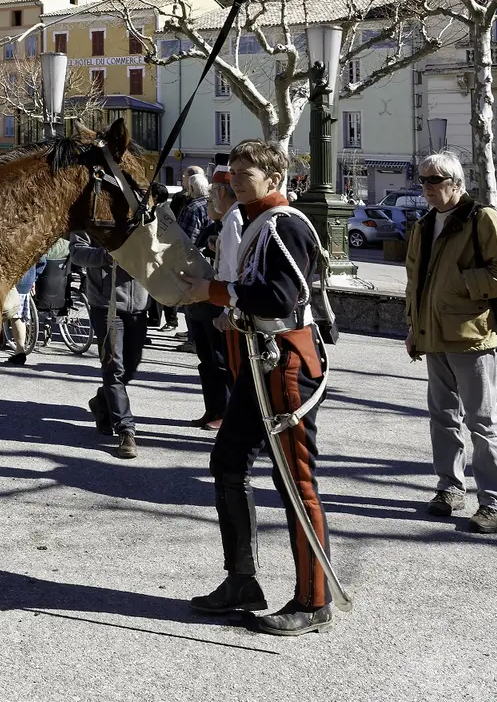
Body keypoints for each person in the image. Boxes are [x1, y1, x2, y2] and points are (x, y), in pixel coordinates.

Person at [181, 139, 337, 636]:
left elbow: (280, 297)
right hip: (260, 362)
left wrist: (216, 292)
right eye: (233, 171)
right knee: (227, 462)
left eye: (247, 172)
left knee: (295, 481)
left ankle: (314, 600)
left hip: (287, 364)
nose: (234, 178)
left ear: (274, 178)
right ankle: (242, 581)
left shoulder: (285, 224)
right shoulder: (256, 223)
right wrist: (232, 312)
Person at [404, 150, 497, 534]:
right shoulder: (423, 224)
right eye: (422, 179)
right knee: (442, 418)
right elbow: (415, 284)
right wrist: (413, 327)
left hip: (472, 336)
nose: (426, 187)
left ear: (456, 182)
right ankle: (450, 488)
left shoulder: (482, 218)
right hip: (433, 335)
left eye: (435, 180)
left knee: (481, 421)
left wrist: (463, 285)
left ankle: (493, 503)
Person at [71, 232, 149, 459]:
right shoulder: (90, 216)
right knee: (114, 366)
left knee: (131, 367)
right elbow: (77, 253)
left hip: (140, 304)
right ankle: (126, 429)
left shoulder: (144, 215)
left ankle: (101, 401)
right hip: (106, 305)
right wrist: (107, 256)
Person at [185, 157, 240, 429]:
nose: (207, 206)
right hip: (200, 303)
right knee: (207, 361)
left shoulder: (235, 224)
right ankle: (213, 409)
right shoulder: (211, 227)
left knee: (221, 362)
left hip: (217, 305)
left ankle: (225, 413)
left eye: (210, 201)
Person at [4, 257, 45, 366]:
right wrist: (34, 278)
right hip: (27, 279)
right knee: (18, 315)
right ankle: (20, 350)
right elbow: (42, 261)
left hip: (8, 278)